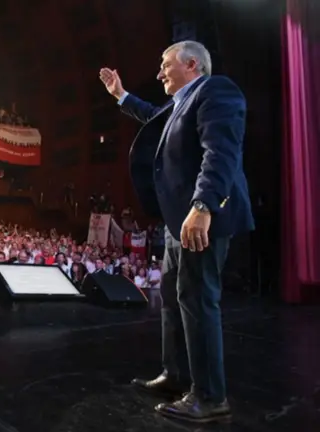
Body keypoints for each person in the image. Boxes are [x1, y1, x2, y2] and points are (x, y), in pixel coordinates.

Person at [99, 40, 253, 423]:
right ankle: (177, 376)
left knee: (198, 299)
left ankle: (210, 396)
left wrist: (203, 205)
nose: (159, 73)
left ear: (192, 64)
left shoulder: (215, 91)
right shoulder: (178, 105)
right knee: (172, 296)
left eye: (165, 64)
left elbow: (220, 152)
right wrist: (120, 95)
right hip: (176, 220)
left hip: (202, 216)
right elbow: (153, 116)